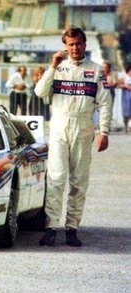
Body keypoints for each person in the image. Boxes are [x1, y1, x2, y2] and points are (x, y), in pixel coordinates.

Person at [35, 27, 112, 247]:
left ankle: (72, 228)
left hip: (83, 128)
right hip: (59, 127)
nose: (75, 48)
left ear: (84, 44)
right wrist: (52, 67)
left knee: (79, 181)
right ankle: (51, 228)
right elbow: (40, 92)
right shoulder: (57, 68)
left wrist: (104, 132)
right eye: (70, 44)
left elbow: (105, 103)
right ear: (65, 46)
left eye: (78, 43)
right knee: (56, 179)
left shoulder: (96, 70)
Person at [118, 65, 131, 134]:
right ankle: (125, 126)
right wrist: (126, 86)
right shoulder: (124, 77)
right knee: (126, 112)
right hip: (126, 97)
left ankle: (129, 127)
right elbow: (119, 85)